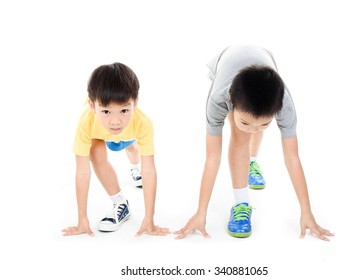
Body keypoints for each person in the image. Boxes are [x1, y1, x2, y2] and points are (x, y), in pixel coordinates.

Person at [175, 45, 334, 241]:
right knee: (241, 134)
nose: (253, 128)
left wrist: (307, 211)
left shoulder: (285, 105)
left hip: (265, 58)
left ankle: (252, 162)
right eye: (245, 120)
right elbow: (212, 158)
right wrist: (201, 212)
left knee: (253, 124)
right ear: (231, 102)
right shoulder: (218, 99)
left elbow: (292, 158)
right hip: (226, 61)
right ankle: (242, 204)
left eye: (268, 122)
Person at [62, 62, 169, 237]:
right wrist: (81, 218)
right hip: (101, 135)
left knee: (132, 150)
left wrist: (150, 218)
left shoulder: (143, 123)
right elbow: (82, 172)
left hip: (128, 137)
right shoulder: (86, 122)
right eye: (106, 112)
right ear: (92, 106)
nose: (115, 121)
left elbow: (149, 170)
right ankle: (120, 204)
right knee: (95, 153)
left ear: (135, 103)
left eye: (124, 110)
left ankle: (134, 169)